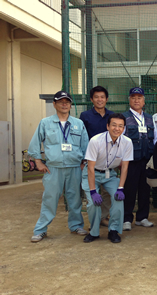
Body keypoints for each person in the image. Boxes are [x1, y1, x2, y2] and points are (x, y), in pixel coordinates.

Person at [28, 91, 89, 242]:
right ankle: (41, 229)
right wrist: (38, 161)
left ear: (70, 105)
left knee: (75, 199)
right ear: (54, 104)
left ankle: (76, 225)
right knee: (49, 199)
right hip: (53, 168)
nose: (64, 104)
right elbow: (35, 142)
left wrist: (83, 162)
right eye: (60, 102)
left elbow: (85, 145)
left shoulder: (78, 124)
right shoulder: (45, 123)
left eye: (67, 102)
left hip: (74, 167)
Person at [82, 113, 133, 243]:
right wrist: (93, 191)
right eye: (114, 125)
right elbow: (90, 168)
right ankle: (94, 232)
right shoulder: (95, 141)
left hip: (111, 175)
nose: (117, 128)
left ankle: (114, 230)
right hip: (93, 173)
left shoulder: (127, 142)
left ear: (124, 128)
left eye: (120, 126)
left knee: (118, 199)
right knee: (93, 203)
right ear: (108, 126)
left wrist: (120, 188)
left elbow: (125, 167)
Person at [80, 86, 114, 227]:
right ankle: (94, 220)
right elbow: (82, 139)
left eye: (102, 97)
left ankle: (103, 217)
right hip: (91, 161)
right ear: (91, 99)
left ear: (106, 99)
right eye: (96, 97)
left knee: (106, 193)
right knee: (92, 192)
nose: (99, 100)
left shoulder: (112, 116)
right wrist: (83, 159)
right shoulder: (85, 116)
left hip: (108, 162)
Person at [122, 87, 155, 231]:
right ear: (129, 99)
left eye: (139, 97)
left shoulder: (149, 118)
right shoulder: (123, 117)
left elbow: (154, 138)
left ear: (144, 100)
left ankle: (142, 217)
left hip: (146, 160)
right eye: (133, 97)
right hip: (130, 161)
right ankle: (127, 218)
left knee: (145, 190)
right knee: (129, 190)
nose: (136, 100)